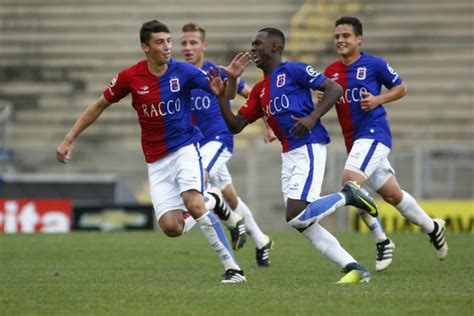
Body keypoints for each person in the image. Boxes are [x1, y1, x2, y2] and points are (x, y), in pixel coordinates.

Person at [56, 19, 249, 283]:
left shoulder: (184, 72)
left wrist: (231, 81)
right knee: (172, 228)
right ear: (145, 47)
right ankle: (214, 200)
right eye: (160, 42)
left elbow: (224, 93)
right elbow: (100, 105)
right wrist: (69, 138)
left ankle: (233, 269)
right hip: (156, 159)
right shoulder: (130, 77)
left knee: (193, 203)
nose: (168, 47)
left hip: (186, 147)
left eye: (169, 41)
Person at [209, 27, 381, 284]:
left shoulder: (294, 70)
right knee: (303, 224)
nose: (253, 48)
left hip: (309, 145)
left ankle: (348, 195)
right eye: (252, 44)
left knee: (297, 213)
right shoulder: (259, 91)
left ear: (275, 47)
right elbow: (235, 125)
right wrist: (221, 96)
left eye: (259, 44)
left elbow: (334, 88)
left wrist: (313, 117)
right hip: (289, 153)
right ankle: (354, 268)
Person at [318, 16, 448, 271]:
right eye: (337, 36)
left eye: (346, 36)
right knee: (392, 195)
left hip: (374, 134)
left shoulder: (375, 64)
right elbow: (326, 100)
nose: (340, 40)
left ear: (359, 39)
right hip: (353, 141)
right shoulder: (331, 71)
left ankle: (382, 240)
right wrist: (322, 98)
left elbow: (401, 88)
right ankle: (433, 228)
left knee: (349, 183)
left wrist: (378, 99)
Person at [180, 22, 275, 267]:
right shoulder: (178, 74)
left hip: (219, 138)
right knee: (231, 196)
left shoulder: (215, 71)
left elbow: (249, 94)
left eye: (193, 42)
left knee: (200, 179)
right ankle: (261, 239)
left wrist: (269, 123)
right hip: (198, 144)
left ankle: (233, 221)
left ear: (204, 45)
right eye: (184, 43)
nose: (188, 47)